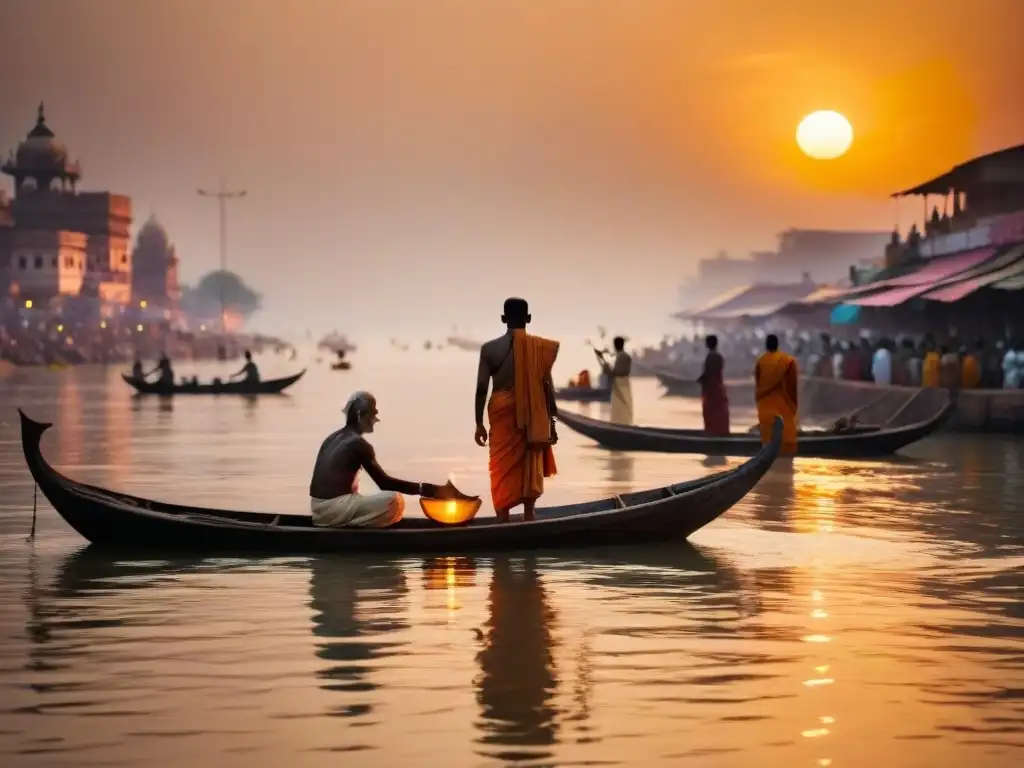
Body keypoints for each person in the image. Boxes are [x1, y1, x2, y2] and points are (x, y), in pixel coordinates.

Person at [308, 391, 470, 527]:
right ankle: (353, 529)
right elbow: (384, 483)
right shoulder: (358, 444)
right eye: (373, 412)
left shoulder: (332, 438)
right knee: (394, 500)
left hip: (317, 509)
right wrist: (433, 490)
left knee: (370, 495)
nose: (376, 416)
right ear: (360, 415)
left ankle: (350, 522)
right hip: (333, 510)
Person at [474, 297, 559, 523]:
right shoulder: (539, 349)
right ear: (528, 318)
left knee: (500, 466)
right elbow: (546, 384)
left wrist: (478, 423)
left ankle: (503, 519)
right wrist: (551, 422)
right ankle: (529, 516)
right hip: (532, 413)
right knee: (530, 460)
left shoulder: (489, 349)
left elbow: (482, 388)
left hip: (501, 411)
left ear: (503, 318)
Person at [754, 334, 799, 455]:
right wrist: (794, 407)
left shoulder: (760, 361)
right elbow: (792, 387)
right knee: (786, 446)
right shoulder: (788, 361)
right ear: (777, 345)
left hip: (765, 407)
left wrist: (759, 402)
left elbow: (758, 386)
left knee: (768, 442)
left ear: (766, 345)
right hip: (784, 407)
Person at [698, 334, 730, 435]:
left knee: (711, 412)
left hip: (711, 390)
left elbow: (708, 373)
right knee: (719, 413)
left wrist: (701, 379)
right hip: (719, 388)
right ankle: (721, 432)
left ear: (707, 344)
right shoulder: (719, 356)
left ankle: (712, 433)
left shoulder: (710, 357)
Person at [596, 336, 633, 424]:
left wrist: (604, 364)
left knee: (620, 406)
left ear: (616, 345)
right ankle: (624, 423)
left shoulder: (622, 356)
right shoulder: (624, 356)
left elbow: (616, 372)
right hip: (623, 382)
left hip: (620, 383)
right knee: (624, 405)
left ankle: (621, 424)